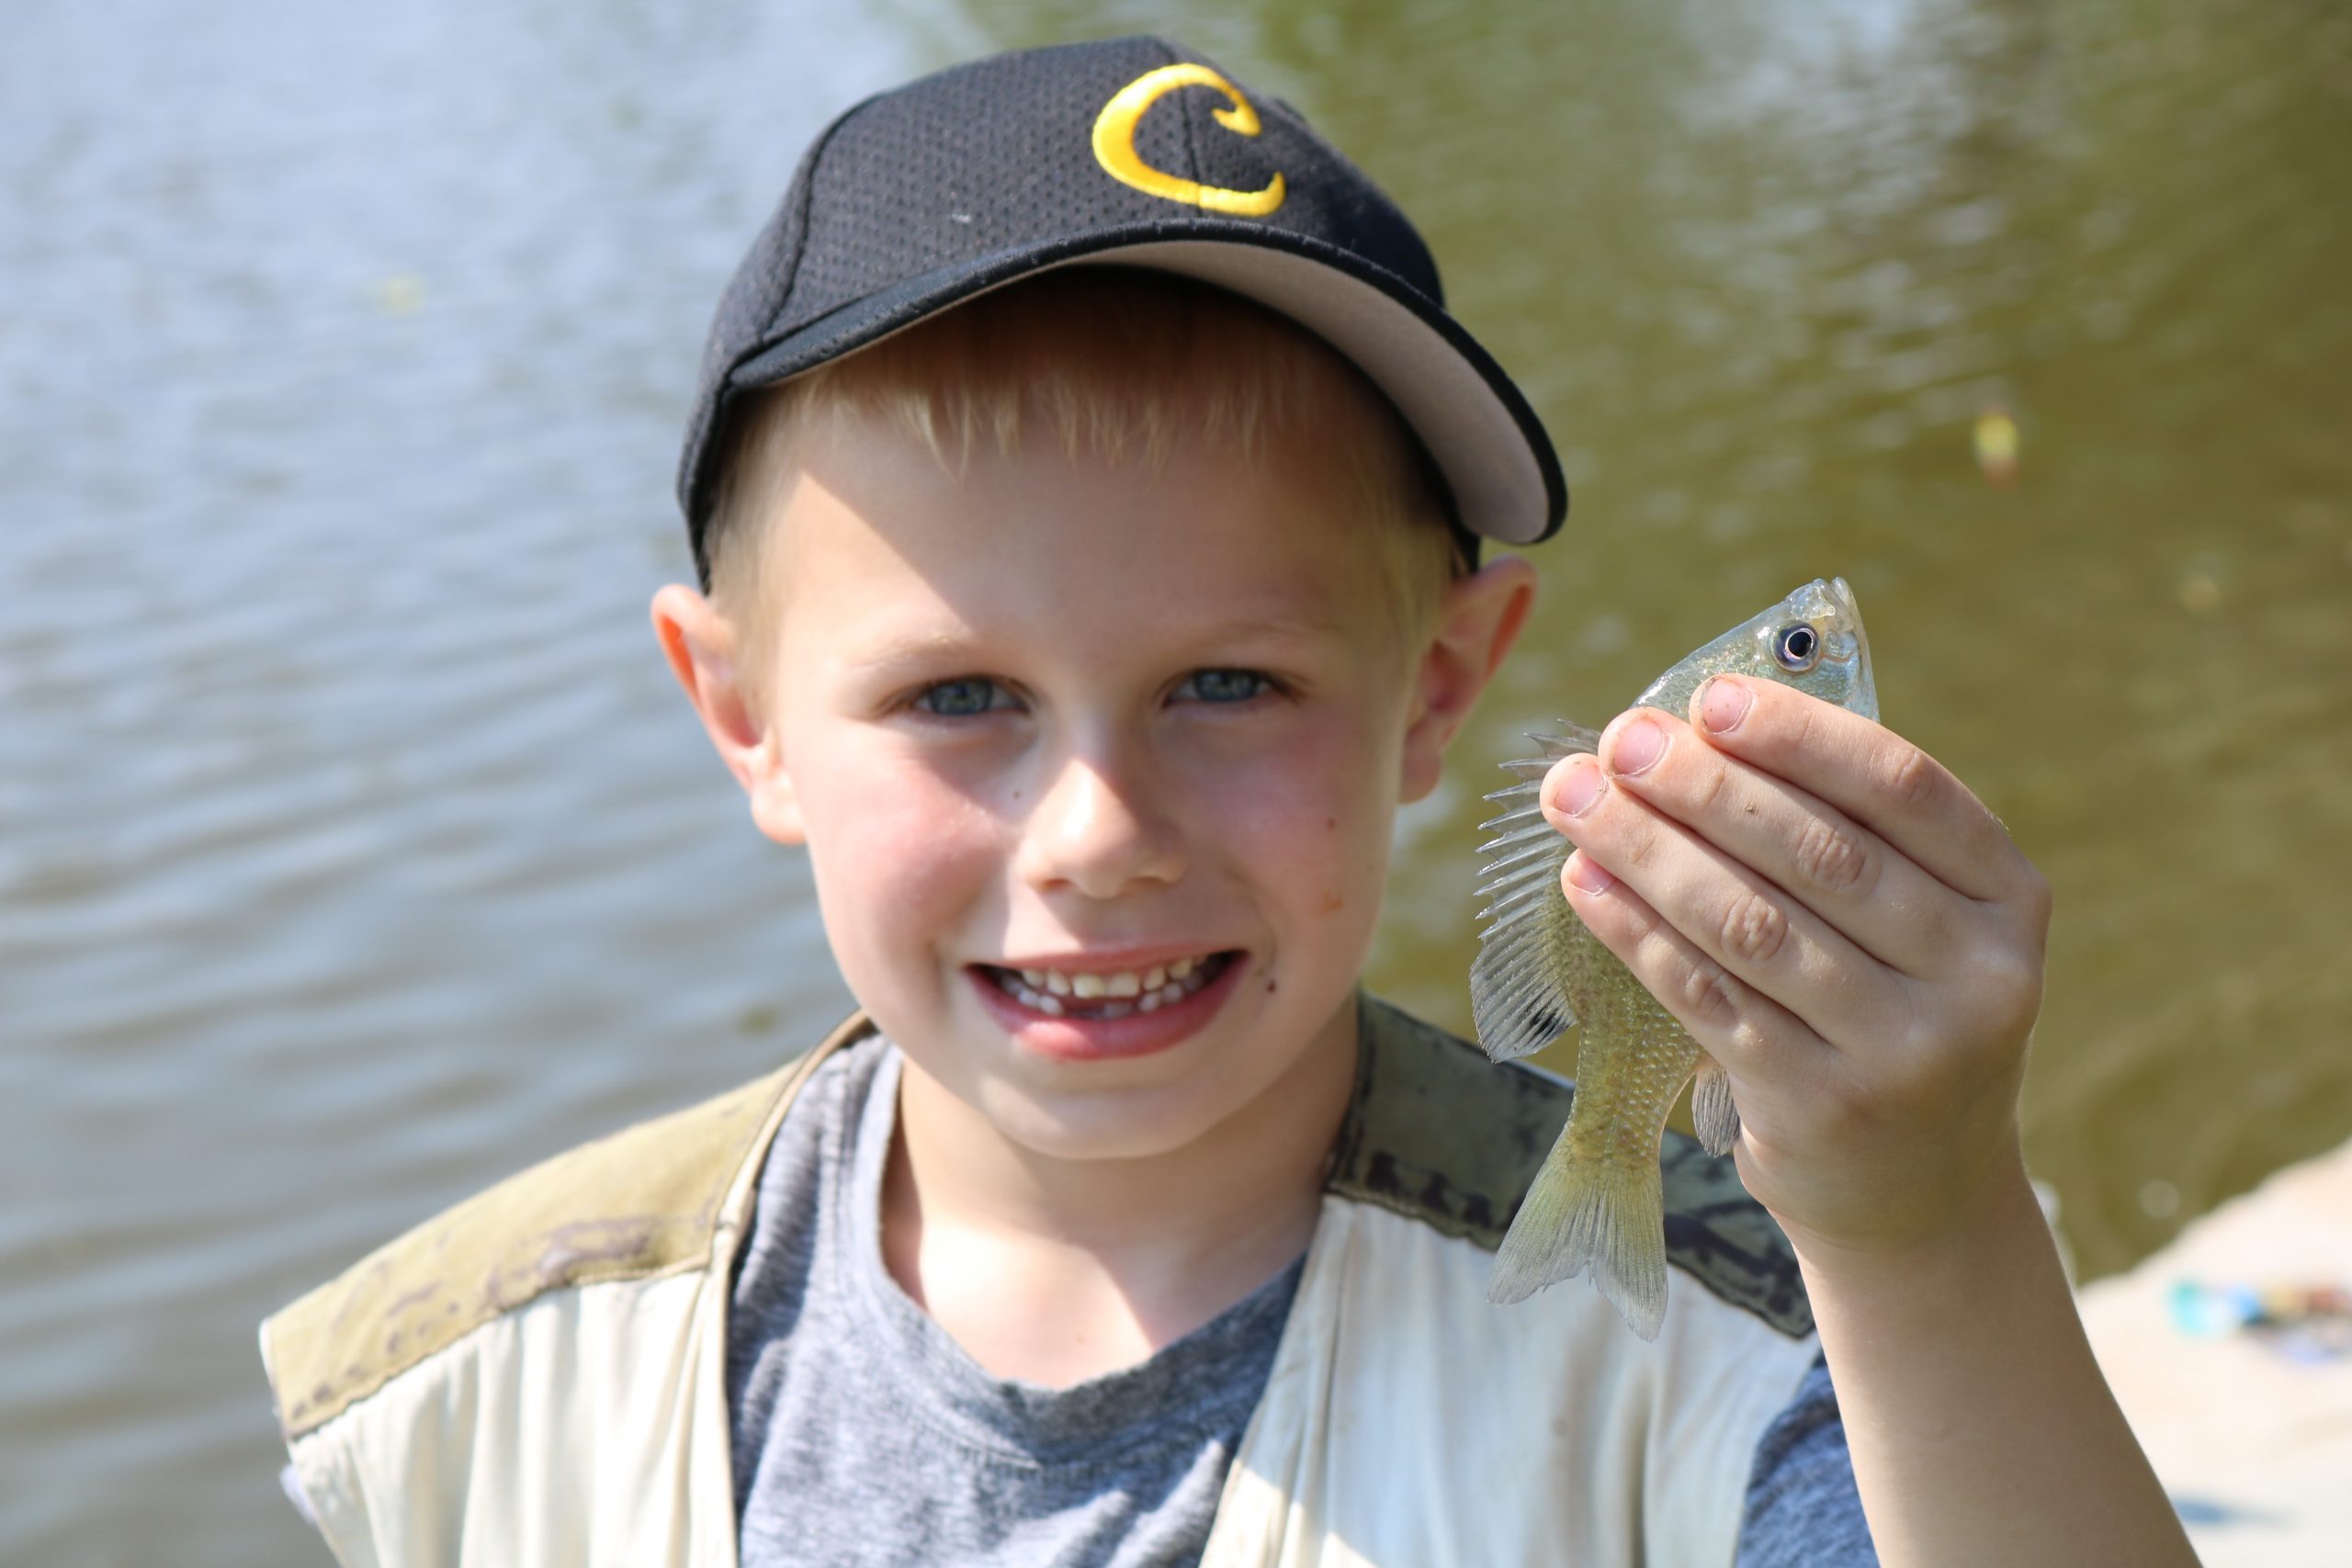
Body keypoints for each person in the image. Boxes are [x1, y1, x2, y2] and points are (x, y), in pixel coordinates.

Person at [258, 36, 2195, 1568]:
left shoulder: (1711, 1351)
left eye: (1224, 684)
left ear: (1437, 686)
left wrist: (1925, 1234)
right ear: (741, 713)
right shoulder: (482, 1374)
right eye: (957, 696)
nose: (1097, 825)